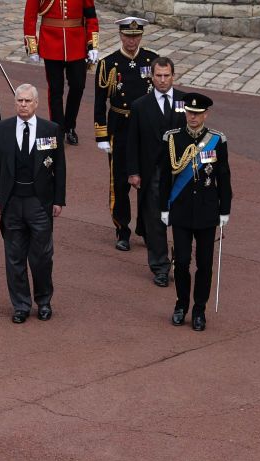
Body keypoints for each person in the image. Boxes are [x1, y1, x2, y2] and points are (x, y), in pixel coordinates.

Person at [0, 83, 66, 324]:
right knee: (14, 256)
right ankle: (20, 305)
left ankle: (44, 301)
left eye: (27, 101)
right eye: (19, 101)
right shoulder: (2, 129)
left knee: (42, 256)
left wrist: (59, 200)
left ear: (36, 103)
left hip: (39, 202)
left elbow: (60, 167)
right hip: (11, 202)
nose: (23, 105)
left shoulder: (50, 129)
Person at [159, 93, 231, 332]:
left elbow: (223, 176)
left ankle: (199, 309)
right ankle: (181, 305)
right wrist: (163, 207)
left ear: (205, 115)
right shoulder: (172, 138)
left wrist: (224, 210)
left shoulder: (217, 140)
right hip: (180, 209)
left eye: (198, 114)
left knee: (204, 264)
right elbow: (165, 178)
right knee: (180, 262)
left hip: (207, 211)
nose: (193, 117)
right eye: (190, 112)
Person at [93, 17, 156, 252]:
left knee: (147, 181)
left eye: (136, 35)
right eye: (128, 36)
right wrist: (101, 135)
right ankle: (122, 228)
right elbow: (100, 102)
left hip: (145, 129)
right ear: (120, 35)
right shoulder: (108, 63)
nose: (132, 40)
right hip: (119, 127)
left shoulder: (151, 60)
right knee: (119, 182)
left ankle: (146, 227)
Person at [126, 56, 186, 287]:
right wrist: (133, 172)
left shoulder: (185, 101)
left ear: (174, 75)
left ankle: (181, 263)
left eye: (166, 75)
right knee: (154, 221)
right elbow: (132, 142)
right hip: (153, 173)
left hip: (180, 173)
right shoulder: (140, 105)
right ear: (152, 76)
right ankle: (160, 267)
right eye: (158, 76)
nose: (162, 80)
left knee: (182, 220)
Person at [23, 0, 98, 146]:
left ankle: (70, 125)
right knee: (56, 89)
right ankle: (58, 128)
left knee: (78, 85)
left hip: (76, 42)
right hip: (51, 41)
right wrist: (32, 45)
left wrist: (92, 43)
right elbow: (30, 16)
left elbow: (90, 15)